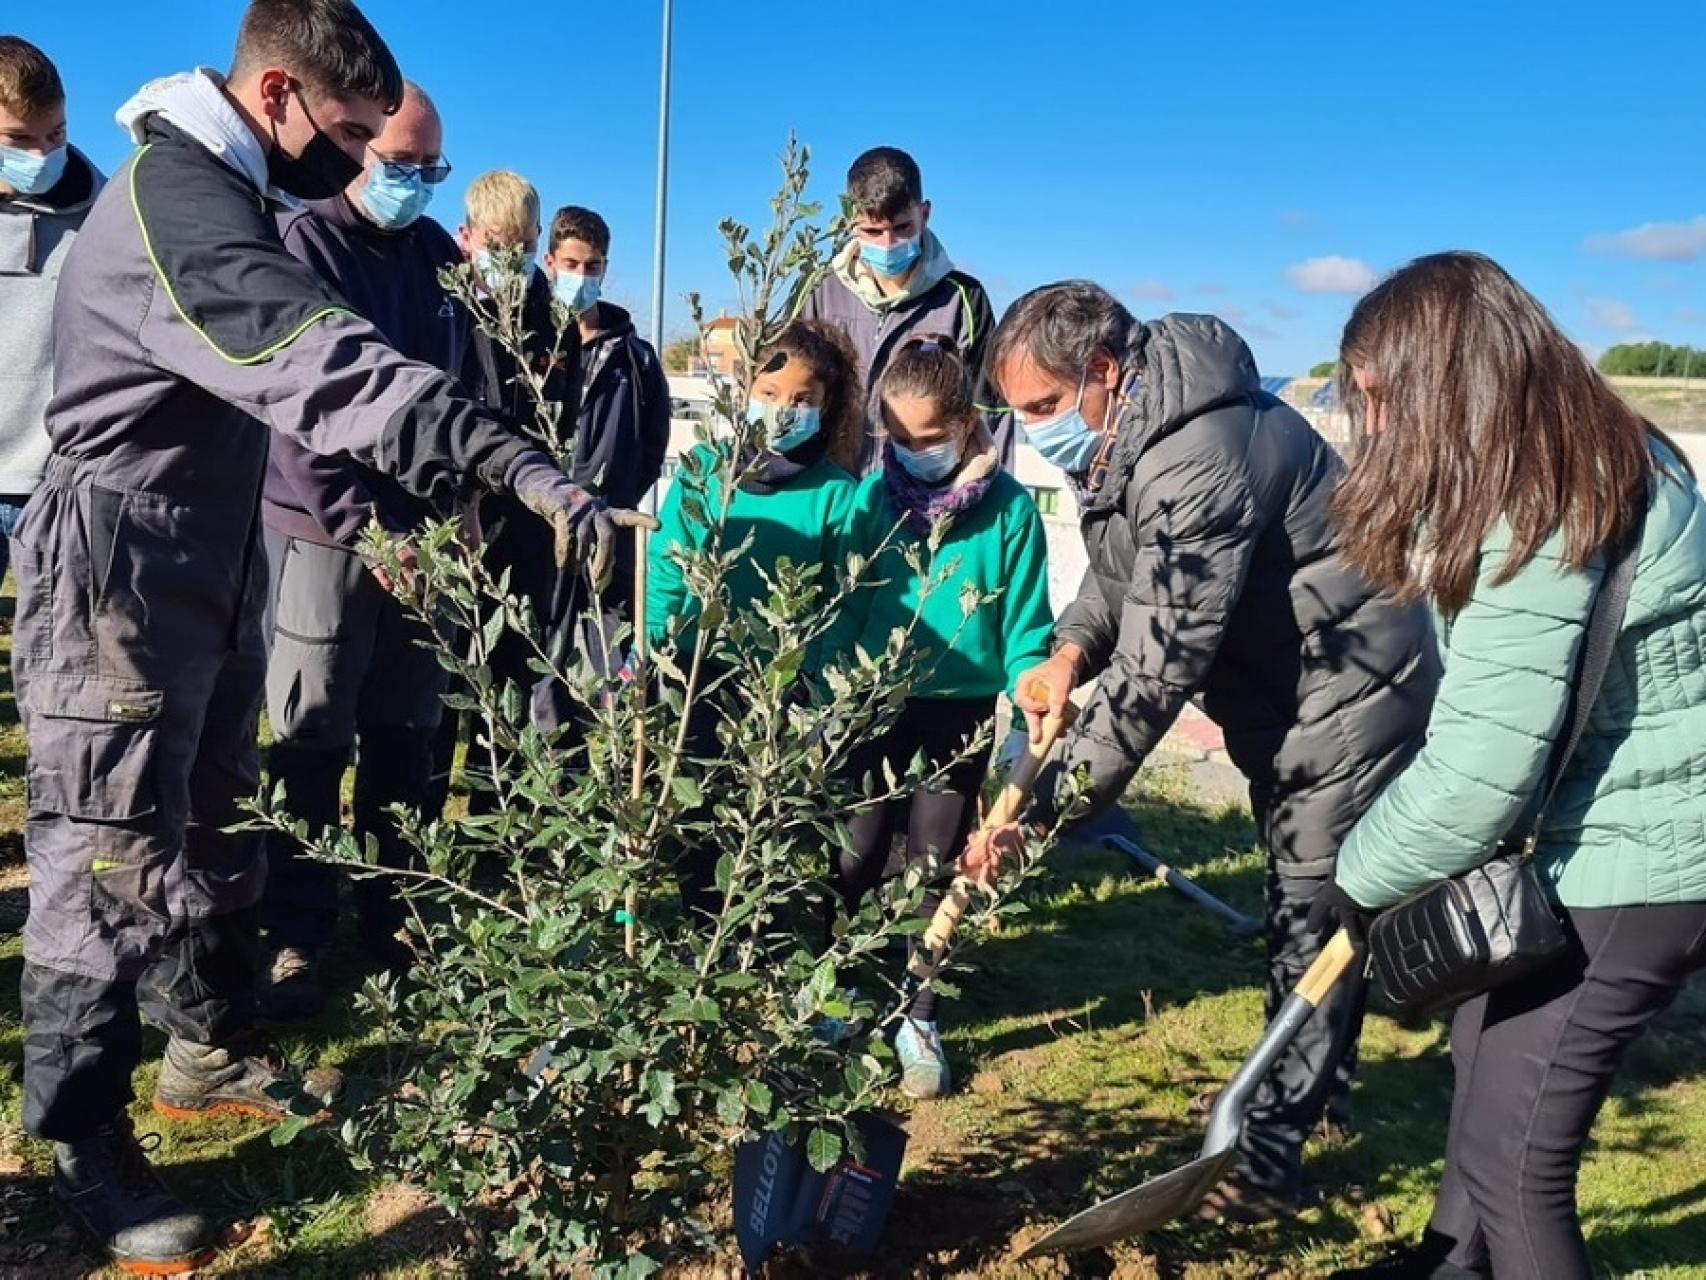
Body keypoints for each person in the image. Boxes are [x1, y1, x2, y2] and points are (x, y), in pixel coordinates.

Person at [15, 2, 647, 1270]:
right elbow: (330, 371)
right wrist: (514, 463)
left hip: (207, 548)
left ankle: (203, 1046)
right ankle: (80, 1137)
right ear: (281, 98)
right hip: (122, 563)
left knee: (204, 810)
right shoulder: (176, 202)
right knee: (104, 846)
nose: (360, 162)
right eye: (351, 133)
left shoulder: (227, 189)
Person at [966, 282, 1439, 1220]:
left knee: (1311, 903)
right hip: (1286, 689)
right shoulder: (1128, 435)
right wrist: (1067, 652)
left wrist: (1047, 814)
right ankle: (1315, 1091)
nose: (1030, 431)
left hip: (1348, 690)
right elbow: (1116, 582)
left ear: (1101, 373)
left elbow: (1156, 671)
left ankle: (1268, 1161)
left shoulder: (1198, 458)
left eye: (1041, 409)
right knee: (1310, 894)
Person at [1314, 253, 1706, 1280]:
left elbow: (1481, 771)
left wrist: (1351, 883)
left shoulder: (1538, 512)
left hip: (1637, 869)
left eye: (1380, 399)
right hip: (1604, 841)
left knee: (1515, 1159)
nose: (1378, 427)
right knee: (1480, 1055)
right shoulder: (1588, 460)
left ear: (1447, 379)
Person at [259, 80, 468, 1018]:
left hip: (426, 543)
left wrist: (454, 514)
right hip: (324, 534)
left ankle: (400, 918)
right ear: (358, 150)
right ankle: (297, 929)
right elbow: (298, 420)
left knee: (407, 738)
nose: (416, 183)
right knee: (311, 738)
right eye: (400, 165)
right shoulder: (307, 245)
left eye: (432, 169)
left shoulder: (434, 256)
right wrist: (366, 532)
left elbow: (460, 400)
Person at [835, 335, 1053, 1099]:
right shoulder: (870, 503)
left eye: (929, 439)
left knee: (937, 865)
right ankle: (840, 990)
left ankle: (916, 1013)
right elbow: (842, 611)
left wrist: (1033, 681)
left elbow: (1028, 627)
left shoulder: (1011, 513)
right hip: (871, 707)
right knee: (856, 855)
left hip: (956, 713)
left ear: (966, 423)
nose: (914, 453)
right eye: (898, 439)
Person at [649, 319, 862, 913]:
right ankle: (698, 920)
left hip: (779, 683)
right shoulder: (703, 472)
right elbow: (669, 563)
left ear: (827, 406)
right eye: (770, 396)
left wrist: (816, 684)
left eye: (802, 401)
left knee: (761, 810)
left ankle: (747, 930)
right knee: (697, 801)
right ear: (745, 390)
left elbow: (838, 602)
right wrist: (654, 648)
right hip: (699, 670)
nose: (784, 411)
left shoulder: (837, 494)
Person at [426, 171, 581, 818]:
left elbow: (562, 420)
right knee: (440, 681)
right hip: (454, 519)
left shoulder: (556, 321)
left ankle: (501, 828)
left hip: (526, 528)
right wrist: (455, 501)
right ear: (470, 236)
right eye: (497, 242)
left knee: (515, 673)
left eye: (521, 244)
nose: (509, 257)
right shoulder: (445, 307)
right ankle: (426, 818)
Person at [799, 147, 1008, 475]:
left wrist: (985, 501)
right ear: (849, 222)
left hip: (923, 501)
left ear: (924, 214)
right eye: (872, 231)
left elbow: (991, 415)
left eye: (902, 227)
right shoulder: (818, 290)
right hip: (832, 497)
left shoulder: (964, 299)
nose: (887, 243)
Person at [0, 37, 102, 581]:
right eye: (18, 139)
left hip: (56, 485)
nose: (41, 155)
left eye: (55, 135)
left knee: (56, 660)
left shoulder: (108, 216)